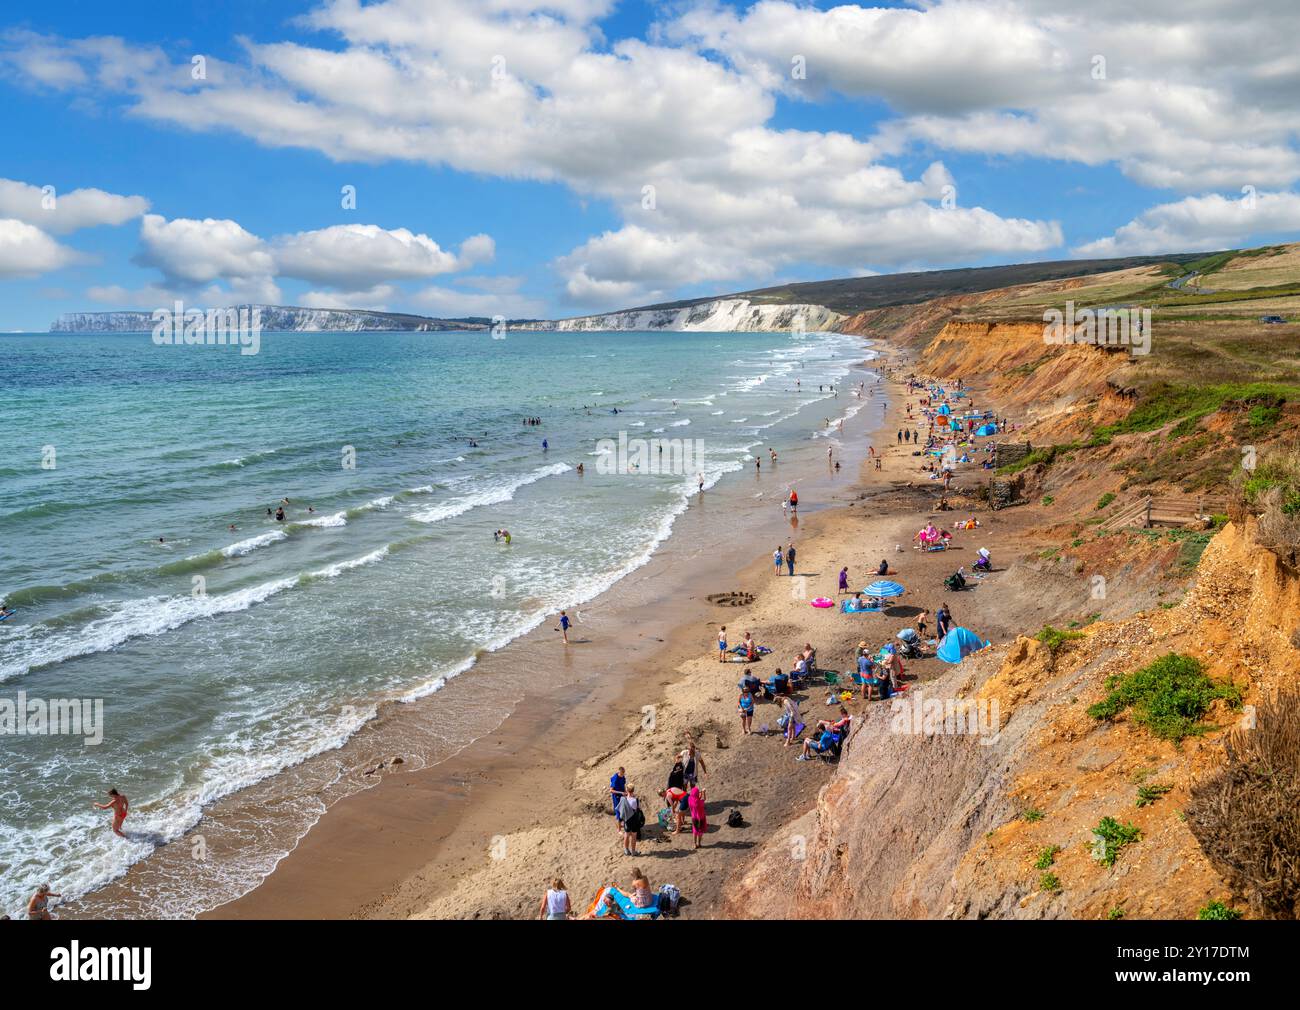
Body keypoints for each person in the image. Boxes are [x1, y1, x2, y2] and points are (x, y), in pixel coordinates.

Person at [617, 786, 643, 856]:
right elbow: (639, 808)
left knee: (626, 834)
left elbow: (620, 810)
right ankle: (633, 851)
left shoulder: (623, 799)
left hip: (627, 820)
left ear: (626, 790)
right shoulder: (635, 800)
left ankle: (626, 850)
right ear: (633, 790)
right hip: (634, 820)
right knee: (634, 836)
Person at [687, 784, 708, 850]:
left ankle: (694, 844)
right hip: (701, 818)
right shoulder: (699, 803)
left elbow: (697, 797)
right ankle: (699, 843)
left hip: (694, 818)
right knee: (700, 831)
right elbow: (704, 799)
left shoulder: (690, 799)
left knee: (695, 831)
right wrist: (703, 793)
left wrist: (701, 793)